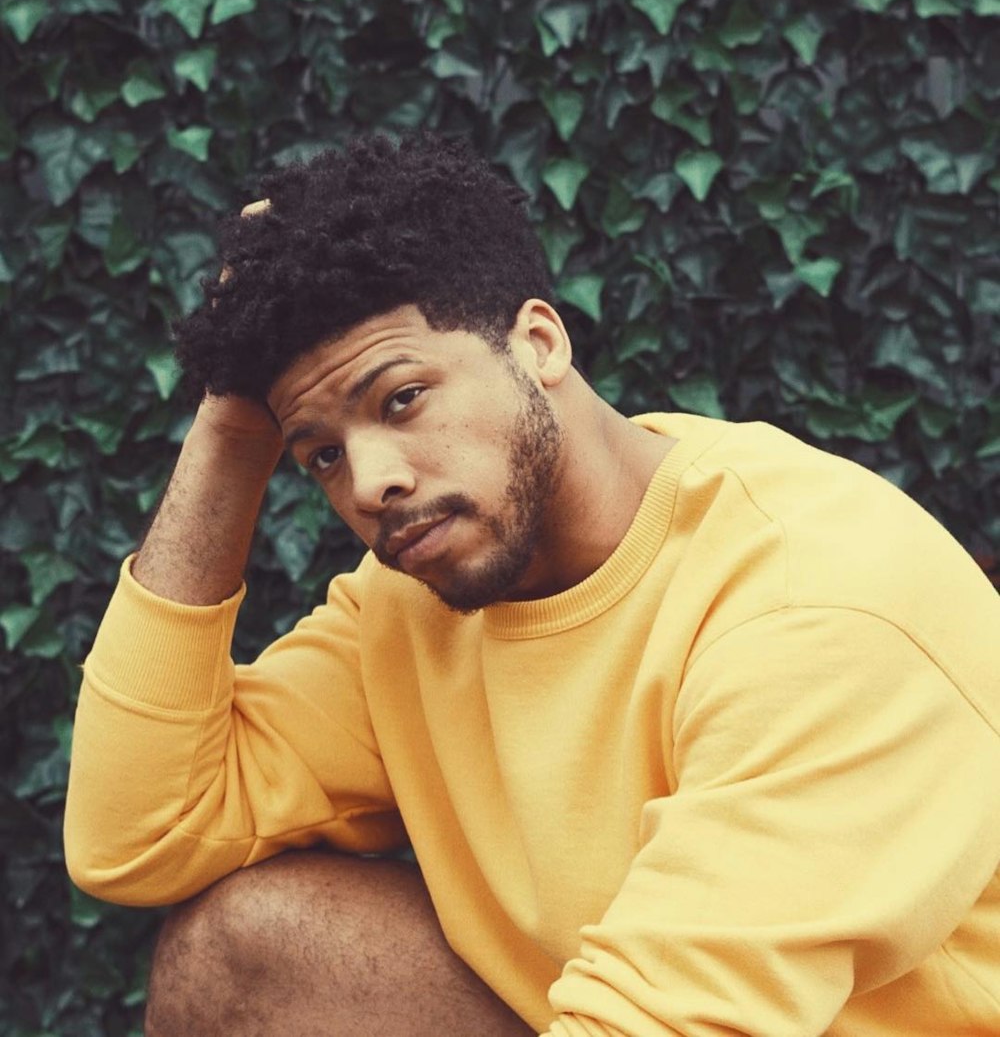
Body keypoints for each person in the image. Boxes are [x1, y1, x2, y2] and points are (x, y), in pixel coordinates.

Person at [64, 135, 1000, 1037]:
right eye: (320, 454)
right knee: (239, 949)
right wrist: (232, 435)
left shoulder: (813, 604)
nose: (369, 481)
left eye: (401, 399)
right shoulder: (415, 602)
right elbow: (141, 832)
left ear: (539, 343)